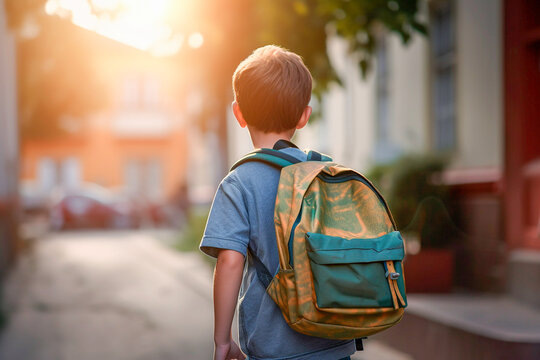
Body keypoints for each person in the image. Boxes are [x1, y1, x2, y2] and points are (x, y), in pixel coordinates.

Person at [200, 45, 355, 360]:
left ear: (238, 113)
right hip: (334, 342)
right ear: (303, 117)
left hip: (275, 349)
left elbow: (230, 261)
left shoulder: (239, 183)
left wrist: (222, 341)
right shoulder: (325, 174)